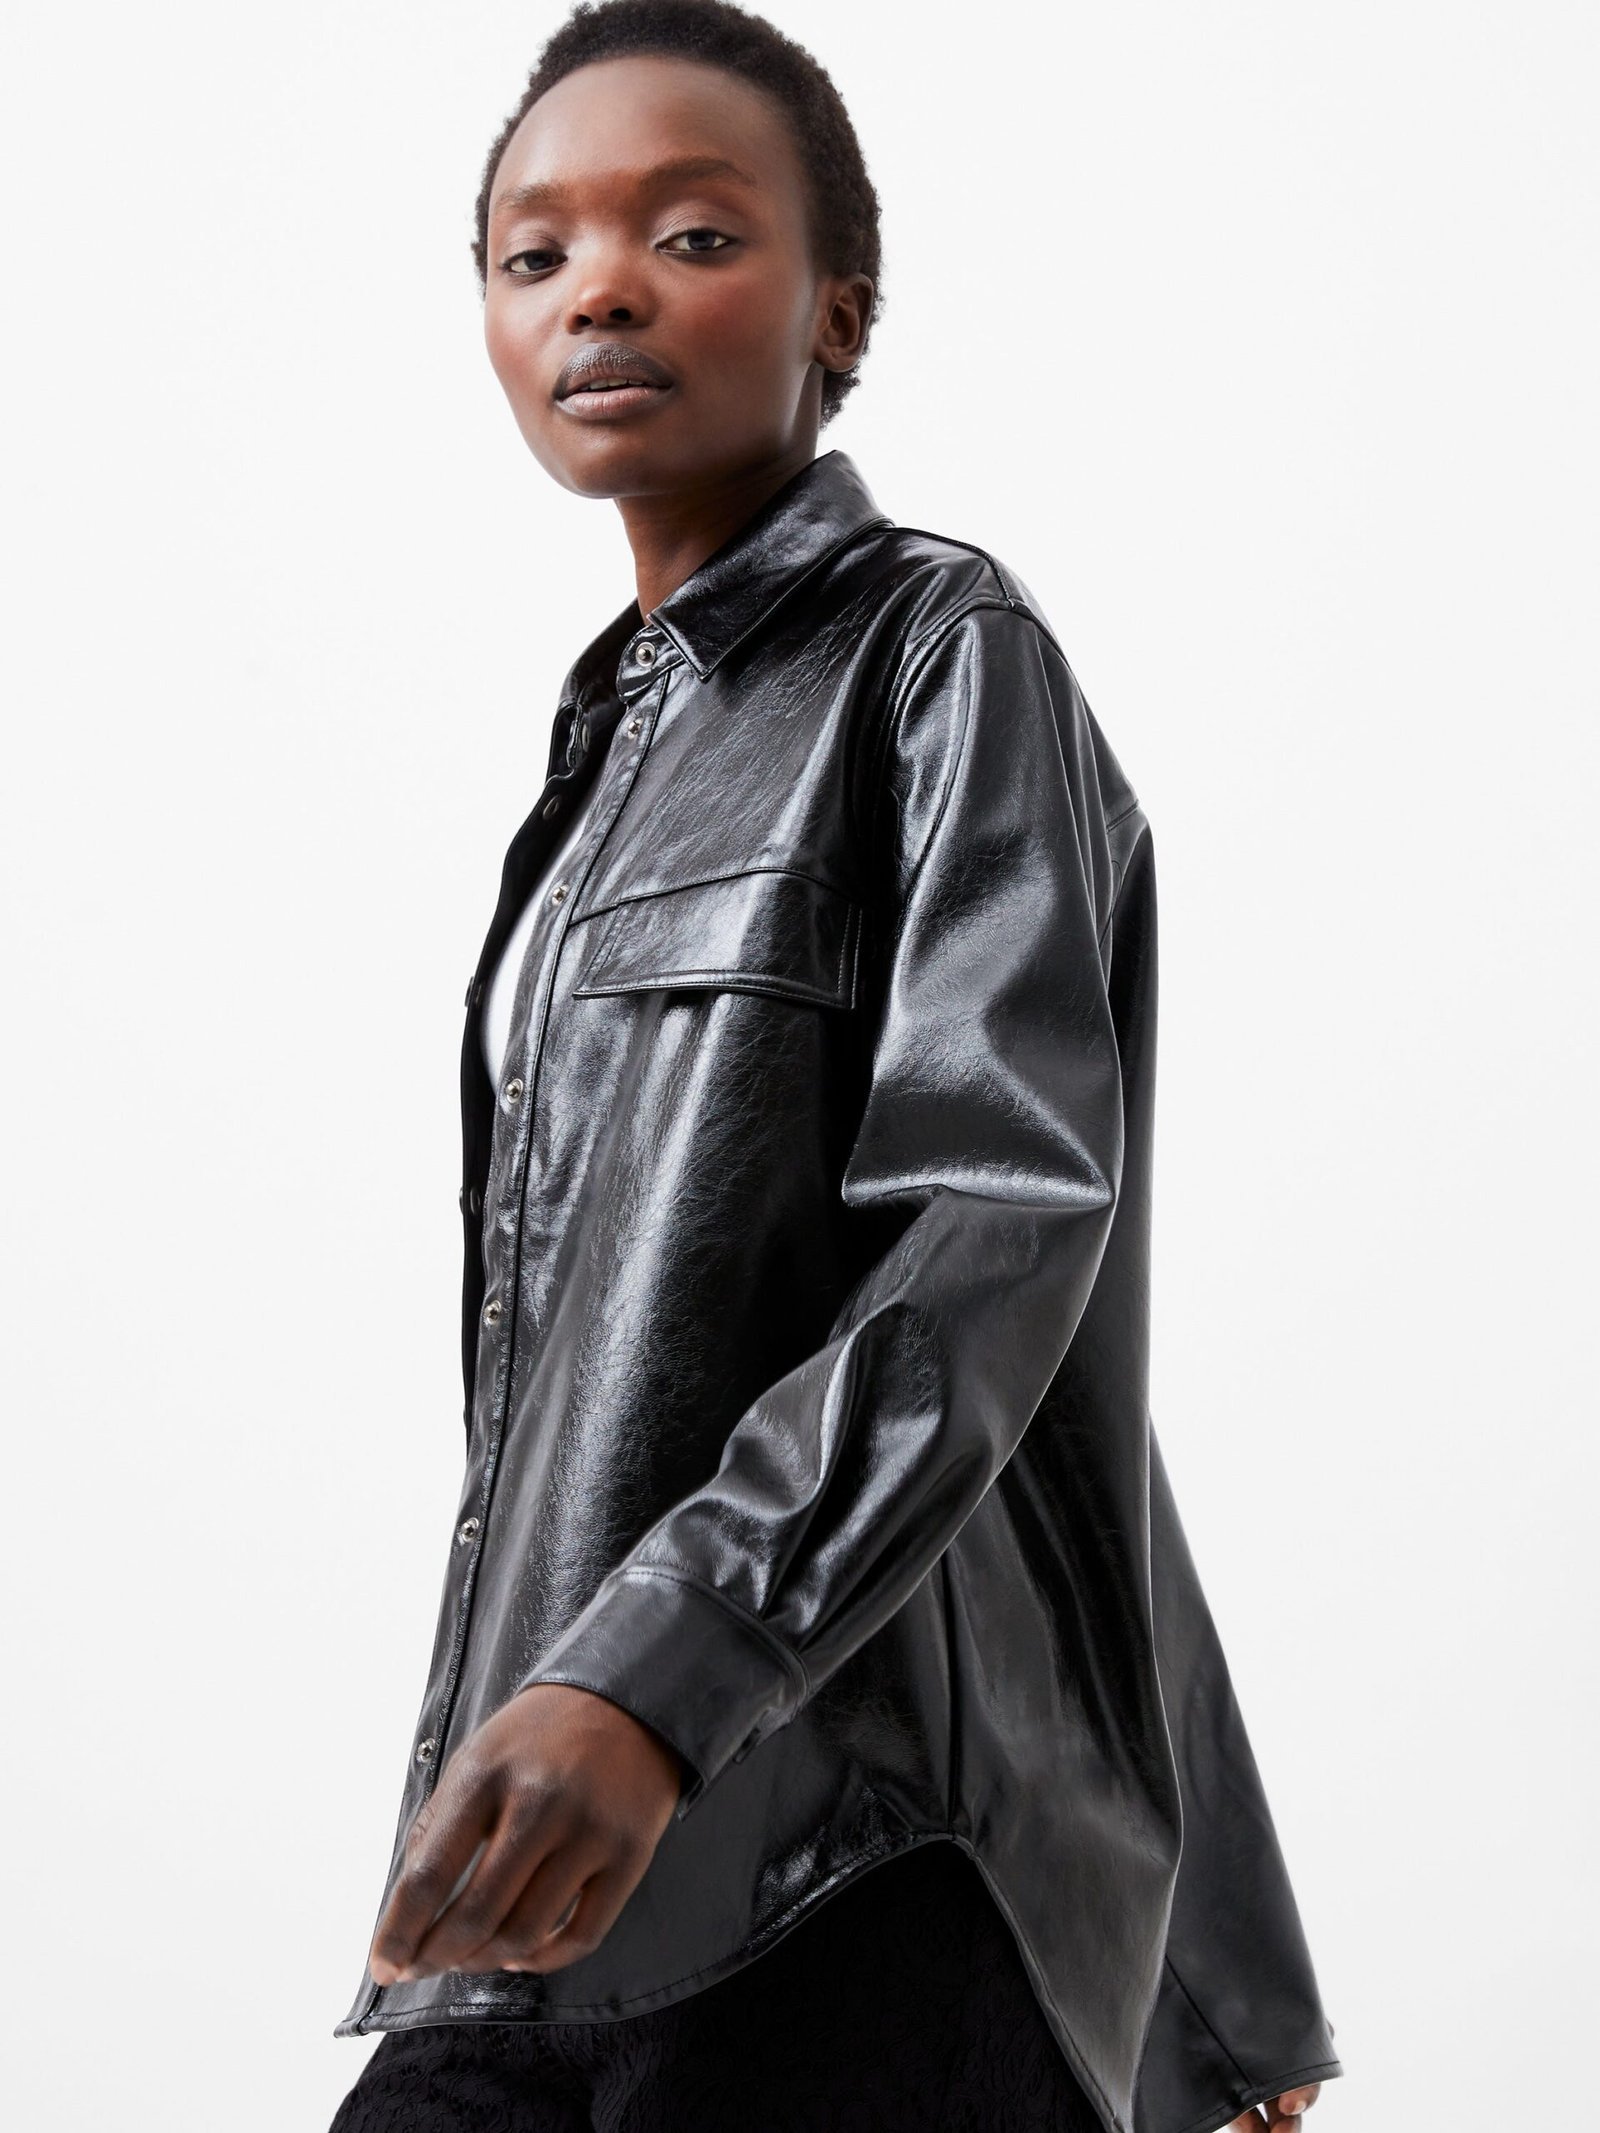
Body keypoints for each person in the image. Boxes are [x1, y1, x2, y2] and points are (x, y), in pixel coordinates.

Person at [328, 4, 1343, 2129]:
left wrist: (659, 1673)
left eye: (692, 233)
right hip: (561, 1863)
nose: (600, 288)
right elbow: (1019, 1392)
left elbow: (995, 1255)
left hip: (850, 1866)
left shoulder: (940, 654)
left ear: (837, 311)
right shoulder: (604, 766)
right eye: (533, 254)